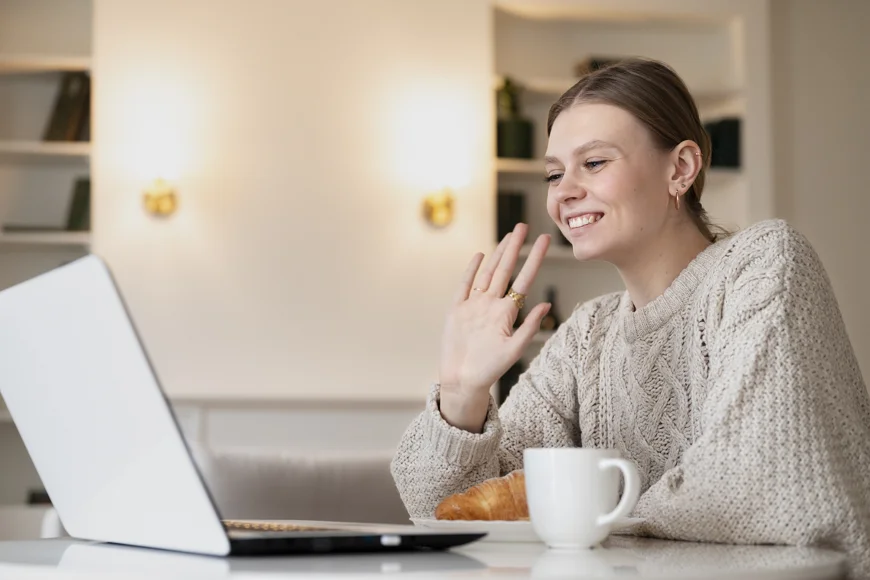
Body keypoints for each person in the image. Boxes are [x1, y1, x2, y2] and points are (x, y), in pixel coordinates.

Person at [390, 57, 870, 577]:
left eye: (593, 163)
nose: (563, 191)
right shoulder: (586, 335)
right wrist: (463, 393)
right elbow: (445, 512)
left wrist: (585, 525)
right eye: (554, 173)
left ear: (681, 168)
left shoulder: (765, 263)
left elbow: (751, 482)